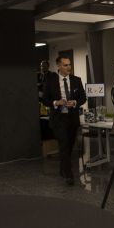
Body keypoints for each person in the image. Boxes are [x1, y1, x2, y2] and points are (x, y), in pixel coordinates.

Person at [42, 56, 86, 185]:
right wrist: (56, 102)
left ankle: (63, 168)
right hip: (58, 119)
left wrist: (75, 102)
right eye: (65, 65)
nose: (69, 67)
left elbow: (83, 97)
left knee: (69, 146)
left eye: (69, 64)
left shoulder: (76, 80)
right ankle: (68, 174)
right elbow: (45, 100)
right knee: (64, 144)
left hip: (72, 119)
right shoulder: (50, 81)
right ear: (58, 66)